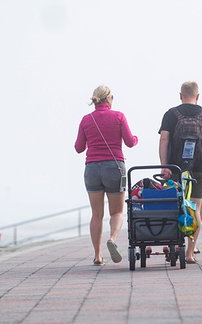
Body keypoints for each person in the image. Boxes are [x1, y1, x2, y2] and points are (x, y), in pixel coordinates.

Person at [158, 81, 202, 264]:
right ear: (198, 96)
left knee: (175, 203)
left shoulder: (171, 114)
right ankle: (190, 252)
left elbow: (164, 139)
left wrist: (164, 166)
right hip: (200, 167)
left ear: (180, 95)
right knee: (195, 205)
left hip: (175, 167)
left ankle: (175, 244)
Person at [75, 85, 138, 265]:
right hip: (114, 168)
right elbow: (129, 142)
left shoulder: (86, 120)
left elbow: (79, 148)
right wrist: (136, 138)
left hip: (92, 169)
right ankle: (112, 239)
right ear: (109, 98)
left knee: (96, 215)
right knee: (117, 211)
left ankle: (97, 255)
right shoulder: (118, 116)